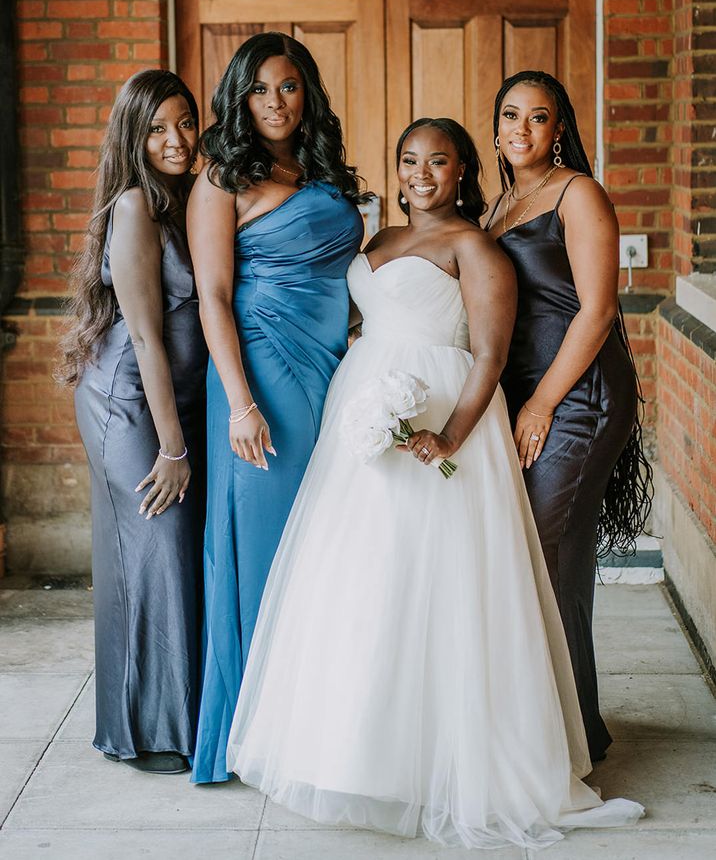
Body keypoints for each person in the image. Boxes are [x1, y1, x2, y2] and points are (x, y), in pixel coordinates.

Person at [225, 117, 644, 850]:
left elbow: (487, 355)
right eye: (409, 160)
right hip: (362, 418)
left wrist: (449, 434)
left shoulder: (475, 248)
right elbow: (359, 319)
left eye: (439, 162)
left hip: (442, 413)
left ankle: (445, 761)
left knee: (437, 587)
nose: (422, 174)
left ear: (461, 173)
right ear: (396, 169)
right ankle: (359, 753)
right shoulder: (376, 242)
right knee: (361, 582)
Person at [186, 32, 365, 784]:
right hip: (259, 376)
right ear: (239, 98)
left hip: (333, 374)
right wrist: (238, 404)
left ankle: (318, 719)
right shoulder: (221, 180)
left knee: (327, 545)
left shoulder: (321, 170)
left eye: (288, 87)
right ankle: (257, 730)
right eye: (259, 90)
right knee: (265, 548)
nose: (275, 102)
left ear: (308, 93)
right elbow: (214, 296)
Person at [484, 70, 653, 763]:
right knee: (540, 559)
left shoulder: (578, 194)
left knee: (547, 558)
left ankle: (563, 742)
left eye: (539, 117)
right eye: (511, 115)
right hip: (528, 393)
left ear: (560, 131)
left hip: (578, 397)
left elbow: (599, 310)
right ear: (495, 128)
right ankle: (570, 724)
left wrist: (542, 401)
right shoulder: (499, 204)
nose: (522, 129)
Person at [59, 70, 207, 773]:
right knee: (158, 541)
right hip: (128, 402)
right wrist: (173, 448)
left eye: (184, 122)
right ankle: (156, 732)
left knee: (163, 554)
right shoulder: (132, 208)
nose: (176, 140)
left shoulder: (180, 199)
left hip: (168, 395)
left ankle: (160, 718)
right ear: (133, 136)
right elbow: (146, 335)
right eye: (157, 129)